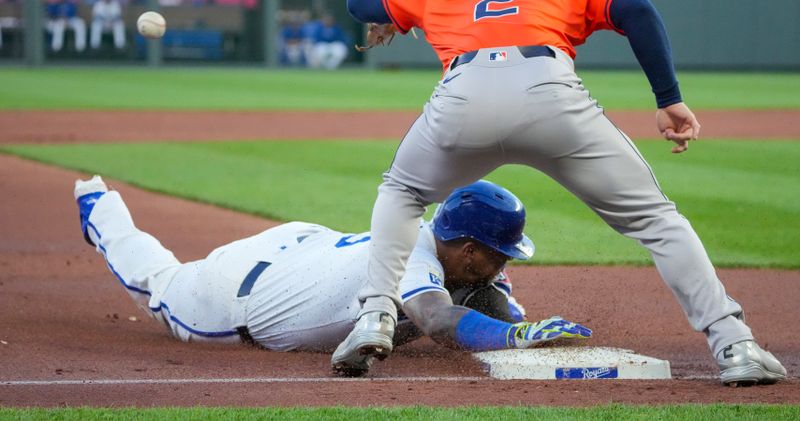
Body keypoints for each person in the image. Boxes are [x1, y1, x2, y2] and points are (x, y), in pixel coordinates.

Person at [335, 0, 786, 386]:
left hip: (463, 96)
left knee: (402, 193)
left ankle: (375, 316)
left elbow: (360, 4)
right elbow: (637, 9)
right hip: (550, 92)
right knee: (656, 219)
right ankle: (734, 344)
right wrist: (668, 98)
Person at [74, 175, 590, 374]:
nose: (506, 263)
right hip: (234, 296)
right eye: (501, 254)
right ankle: (98, 204)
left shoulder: (457, 253)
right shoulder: (415, 253)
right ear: (471, 249)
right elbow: (434, 319)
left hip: (304, 245)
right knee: (159, 281)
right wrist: (515, 335)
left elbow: (495, 310)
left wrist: (513, 325)